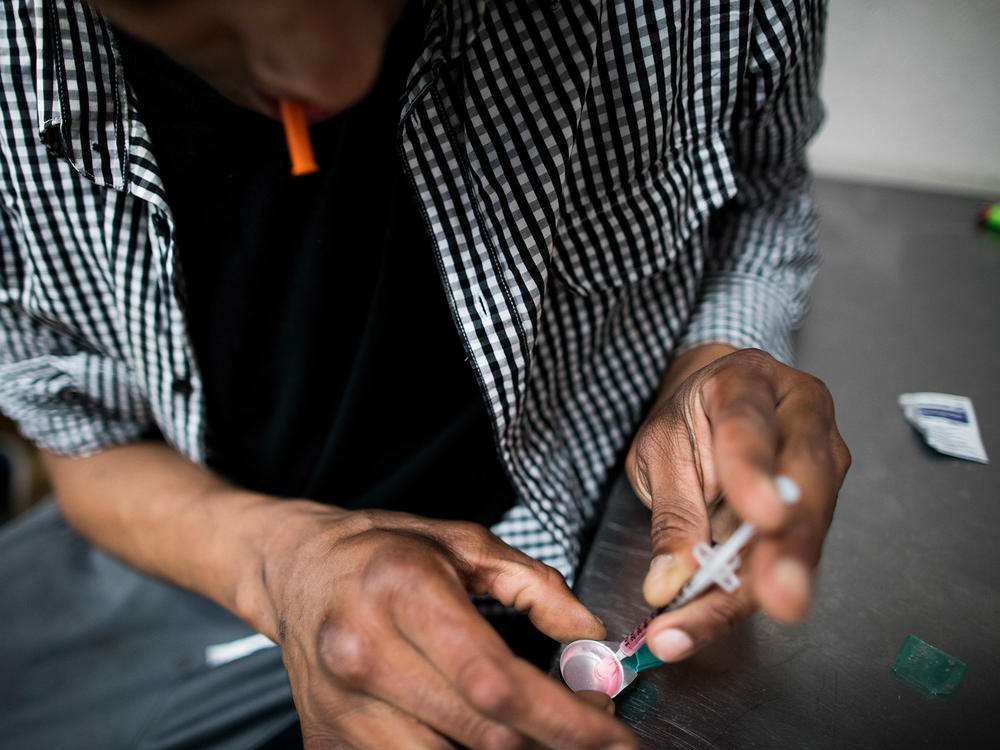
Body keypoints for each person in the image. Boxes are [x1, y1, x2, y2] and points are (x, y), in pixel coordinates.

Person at [0, 0, 850, 748]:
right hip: (194, 551)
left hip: (593, 553)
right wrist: (275, 563)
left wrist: (715, 358)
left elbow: (764, 205)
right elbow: (81, 436)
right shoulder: (15, 68)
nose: (327, 73)